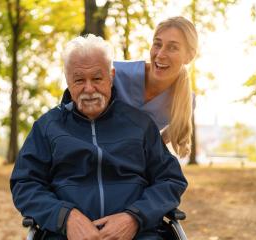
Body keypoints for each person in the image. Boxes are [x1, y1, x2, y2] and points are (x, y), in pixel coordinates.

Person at [10, 34, 187, 240]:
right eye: (79, 80)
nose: (89, 89)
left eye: (97, 78)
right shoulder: (47, 127)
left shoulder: (140, 125)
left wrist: (134, 217)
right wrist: (65, 218)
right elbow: (25, 184)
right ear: (67, 80)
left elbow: (170, 179)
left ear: (111, 76)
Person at [113, 16, 198, 159]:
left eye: (173, 47)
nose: (160, 54)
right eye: (157, 44)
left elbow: (157, 146)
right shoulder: (115, 73)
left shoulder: (186, 101)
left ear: (189, 56)